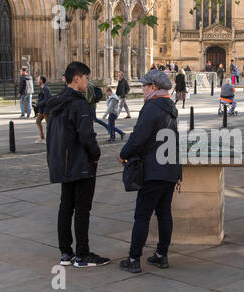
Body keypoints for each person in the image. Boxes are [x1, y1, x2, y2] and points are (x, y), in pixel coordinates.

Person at [46, 61, 110, 268]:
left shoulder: (56, 102)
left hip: (63, 163)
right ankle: (82, 254)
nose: (87, 82)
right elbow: (85, 135)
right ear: (77, 78)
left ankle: (65, 253)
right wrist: (96, 153)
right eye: (86, 78)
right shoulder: (78, 103)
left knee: (66, 207)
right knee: (82, 209)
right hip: (81, 163)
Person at [118, 69, 182, 274]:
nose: (143, 89)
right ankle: (161, 255)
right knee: (164, 213)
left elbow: (139, 137)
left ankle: (133, 258)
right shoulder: (170, 107)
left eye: (145, 85)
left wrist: (123, 153)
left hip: (153, 170)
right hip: (170, 169)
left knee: (142, 216)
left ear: (153, 87)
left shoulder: (151, 107)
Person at [35, 75, 52, 143]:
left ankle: (50, 139)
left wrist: (38, 104)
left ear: (41, 81)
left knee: (49, 125)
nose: (37, 81)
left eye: (38, 79)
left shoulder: (46, 89)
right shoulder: (41, 88)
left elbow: (47, 99)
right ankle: (42, 137)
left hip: (46, 109)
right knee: (38, 121)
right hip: (42, 109)